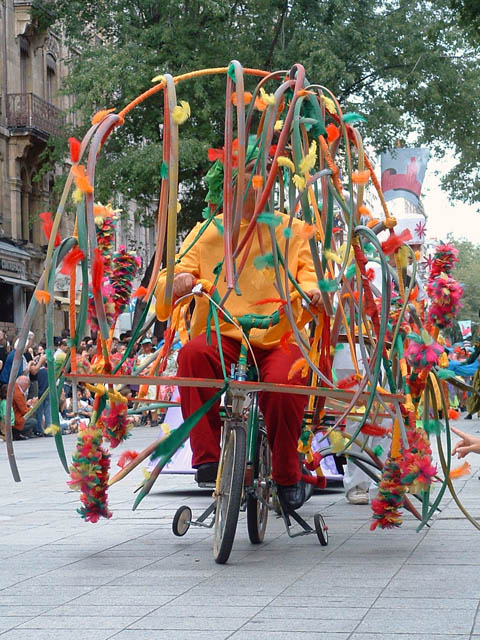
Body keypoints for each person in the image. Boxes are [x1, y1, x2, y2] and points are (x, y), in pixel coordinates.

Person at [155, 170, 322, 511]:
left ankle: (288, 474)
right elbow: (170, 278)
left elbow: (310, 278)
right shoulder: (206, 232)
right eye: (240, 184)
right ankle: (207, 459)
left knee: (285, 382)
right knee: (192, 355)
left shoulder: (292, 230)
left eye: (257, 182)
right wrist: (180, 281)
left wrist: (313, 292)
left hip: (279, 336)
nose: (249, 191)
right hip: (223, 333)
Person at [12, 375, 37, 439]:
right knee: (33, 421)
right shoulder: (18, 393)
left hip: (13, 417)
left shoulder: (14, 389)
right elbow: (25, 412)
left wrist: (26, 404)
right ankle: (17, 432)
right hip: (15, 420)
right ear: (25, 385)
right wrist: (32, 406)